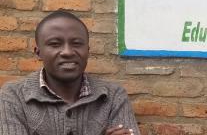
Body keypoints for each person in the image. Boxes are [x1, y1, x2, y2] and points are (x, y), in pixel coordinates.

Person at [0, 10, 139, 135]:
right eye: (55, 44)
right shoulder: (13, 97)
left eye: (77, 43)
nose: (67, 52)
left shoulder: (113, 96)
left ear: (88, 50)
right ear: (38, 52)